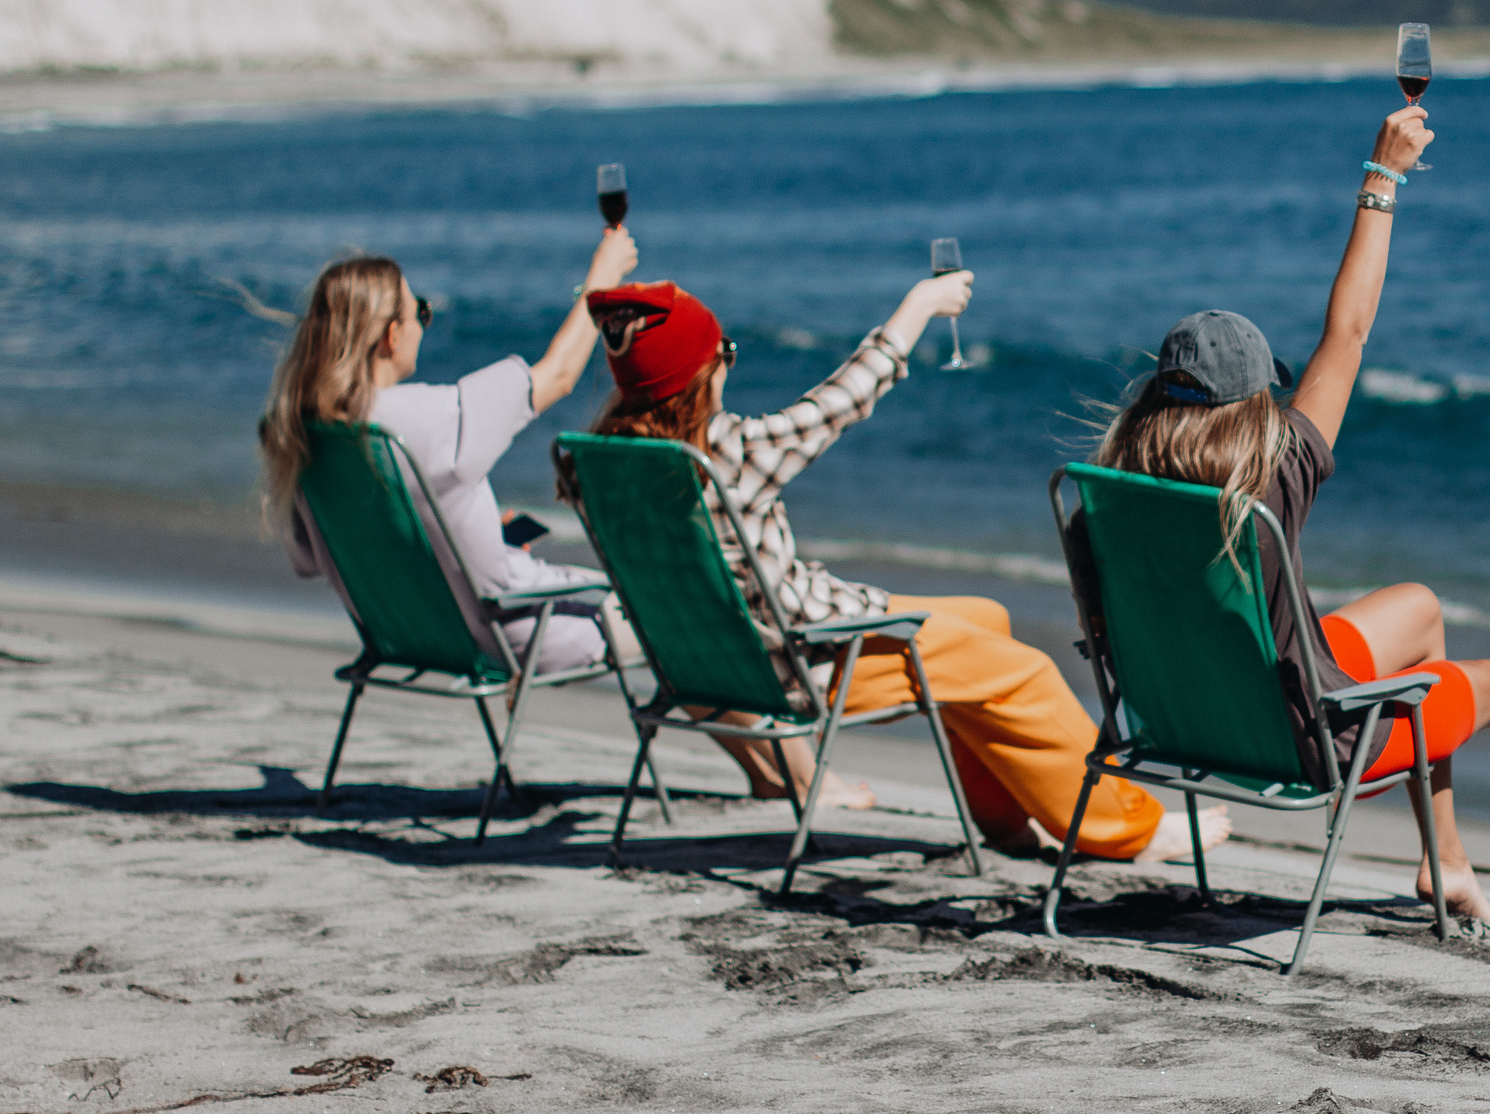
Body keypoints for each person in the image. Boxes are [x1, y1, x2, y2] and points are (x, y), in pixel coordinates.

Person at [1093, 102, 1490, 924]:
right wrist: (1383, 177)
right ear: (1251, 407)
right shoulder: (1269, 477)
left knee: (1420, 609)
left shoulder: (1109, 492)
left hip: (1184, 718)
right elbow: (1352, 330)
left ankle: (1444, 860)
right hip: (1301, 741)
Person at [572, 272, 1226, 866]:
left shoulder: (599, 463)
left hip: (721, 661)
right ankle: (1126, 827)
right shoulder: (726, 454)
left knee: (988, 618)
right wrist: (919, 305)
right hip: (811, 661)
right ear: (702, 371)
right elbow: (842, 400)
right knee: (1022, 672)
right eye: (725, 354)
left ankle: (1005, 820)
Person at [261, 230, 641, 675]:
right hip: (518, 633)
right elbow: (557, 376)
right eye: (419, 311)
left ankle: (747, 746)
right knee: (672, 620)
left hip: (406, 636)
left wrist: (466, 536)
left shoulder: (305, 436)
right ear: (391, 336)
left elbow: (314, 559)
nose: (424, 322)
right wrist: (605, 276)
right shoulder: (432, 417)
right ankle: (744, 744)